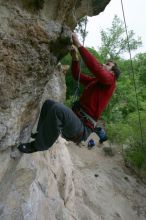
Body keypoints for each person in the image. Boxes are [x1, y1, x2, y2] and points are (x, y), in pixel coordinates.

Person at [18, 33, 121, 153]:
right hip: (76, 120)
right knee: (48, 104)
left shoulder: (111, 82)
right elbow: (76, 75)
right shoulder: (95, 81)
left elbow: (96, 68)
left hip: (83, 128)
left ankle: (38, 146)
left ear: (113, 73)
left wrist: (79, 44)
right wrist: (75, 59)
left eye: (107, 65)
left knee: (57, 109)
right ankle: (41, 134)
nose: (103, 64)